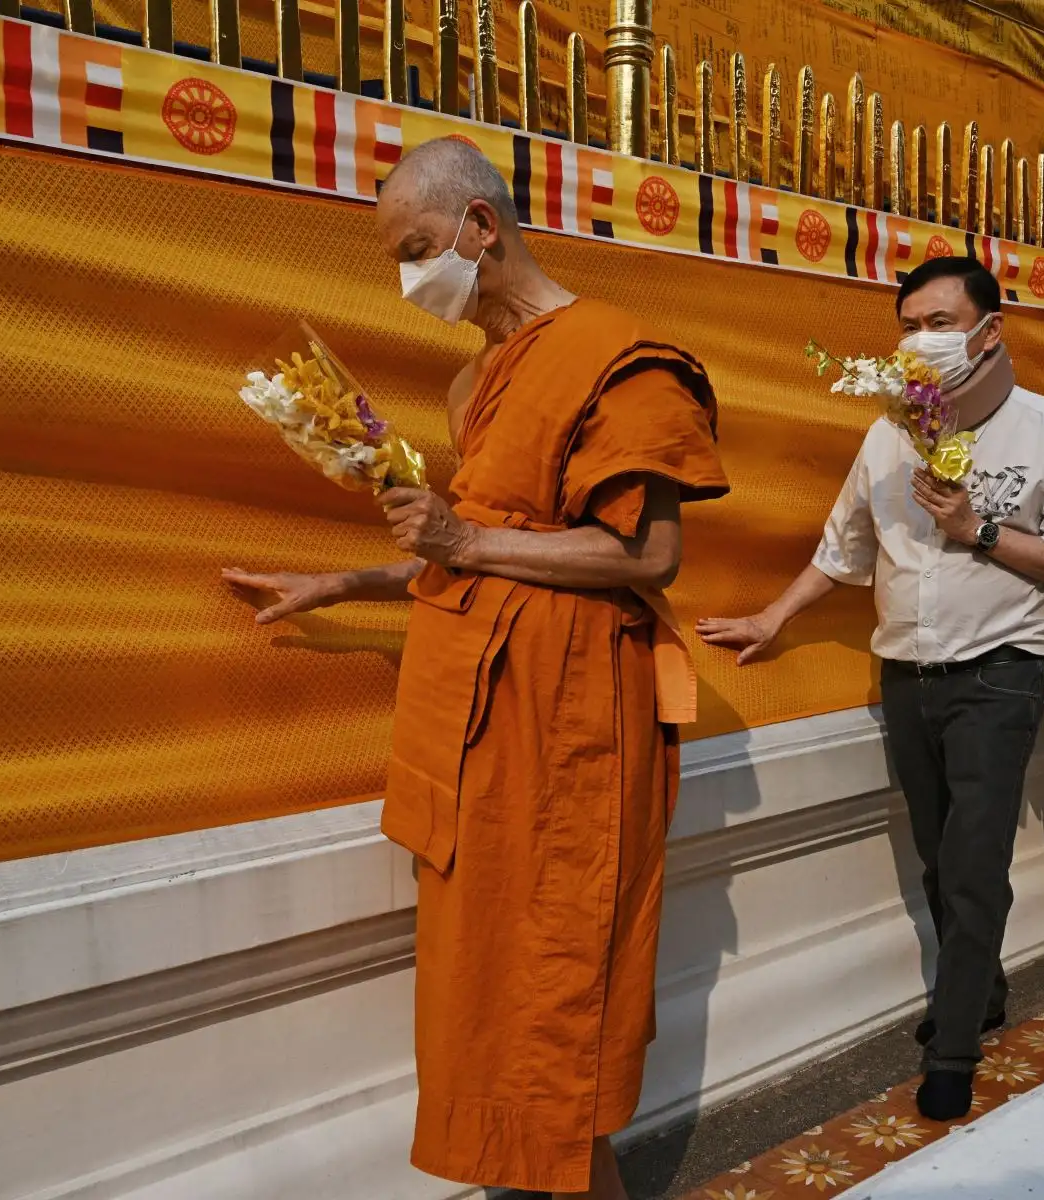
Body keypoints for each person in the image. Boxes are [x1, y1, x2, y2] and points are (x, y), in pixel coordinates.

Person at [223, 137, 729, 1199]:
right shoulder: (476, 383)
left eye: (418, 247)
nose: (411, 277)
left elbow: (647, 554)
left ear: (480, 228)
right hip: (483, 730)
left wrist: (459, 546)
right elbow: (488, 548)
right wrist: (344, 583)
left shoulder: (620, 357)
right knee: (489, 981)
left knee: (558, 977)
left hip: (574, 725)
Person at [696, 256, 1044, 1122]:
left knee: (973, 862)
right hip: (907, 675)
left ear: (989, 331)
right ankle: (981, 986)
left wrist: (978, 529)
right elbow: (842, 546)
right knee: (935, 850)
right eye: (910, 323)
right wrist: (775, 617)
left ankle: (955, 1042)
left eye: (940, 321)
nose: (921, 340)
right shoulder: (889, 431)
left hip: (999, 672)